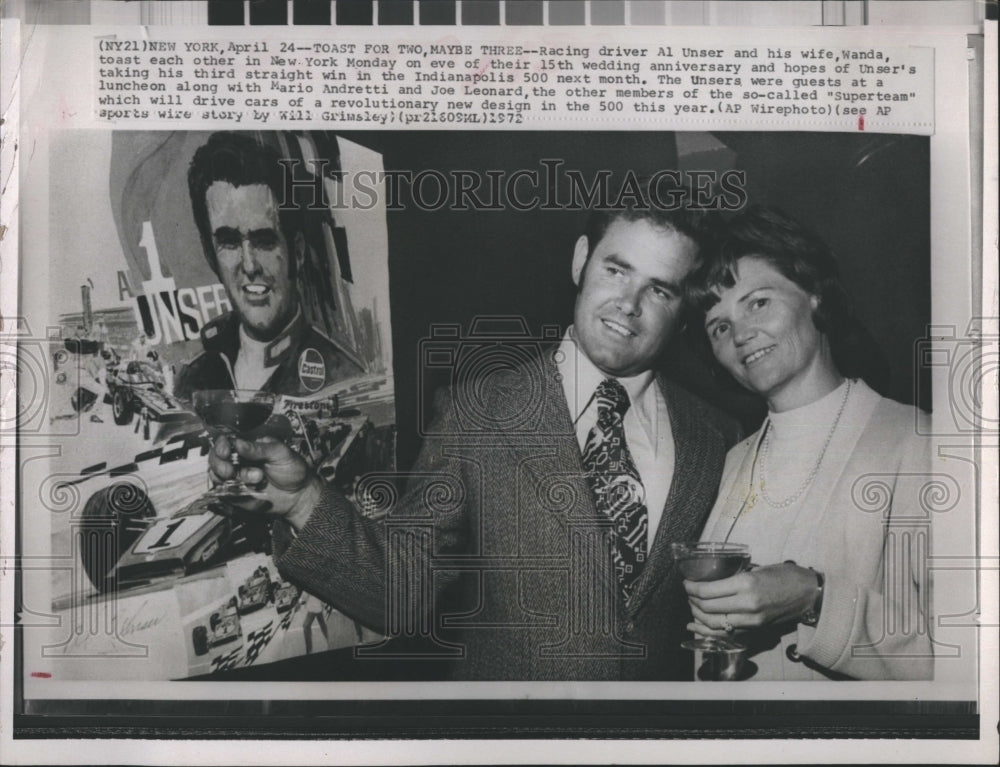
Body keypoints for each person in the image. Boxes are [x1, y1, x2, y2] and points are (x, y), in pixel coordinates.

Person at [211, 191, 741, 680]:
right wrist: (302, 502)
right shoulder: (478, 410)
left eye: (660, 290)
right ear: (581, 260)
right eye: (617, 270)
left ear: (683, 308)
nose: (629, 303)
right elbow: (402, 594)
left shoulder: (714, 435)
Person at [683, 206, 935, 680]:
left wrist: (816, 598)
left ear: (815, 295)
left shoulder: (917, 444)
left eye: (758, 302)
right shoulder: (733, 458)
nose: (740, 334)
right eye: (718, 326)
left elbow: (968, 662)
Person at [175, 132, 365, 401]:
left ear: (297, 251)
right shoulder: (193, 379)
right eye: (229, 242)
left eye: (264, 241)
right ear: (210, 255)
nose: (250, 265)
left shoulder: (345, 381)